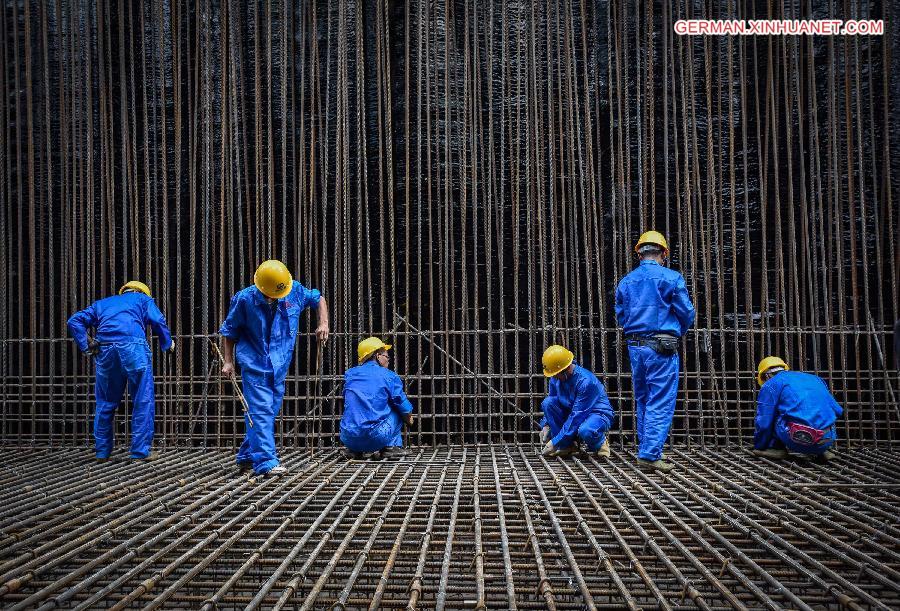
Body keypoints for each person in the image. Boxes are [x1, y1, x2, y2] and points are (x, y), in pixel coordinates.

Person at [219, 260, 329, 476]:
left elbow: (318, 298)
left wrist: (323, 322)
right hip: (254, 363)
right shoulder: (244, 299)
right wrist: (228, 361)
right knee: (260, 411)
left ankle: (247, 455)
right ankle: (266, 463)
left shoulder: (294, 290)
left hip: (279, 366)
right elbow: (229, 332)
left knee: (268, 412)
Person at [615, 231, 695, 473]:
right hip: (661, 349)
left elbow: (621, 314)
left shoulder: (626, 281)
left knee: (644, 398)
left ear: (639, 254)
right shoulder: (671, 278)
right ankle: (649, 454)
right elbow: (686, 312)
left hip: (636, 347)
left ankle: (646, 448)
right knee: (660, 399)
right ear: (663, 254)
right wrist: (675, 332)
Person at [67, 281, 173, 460]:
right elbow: (158, 320)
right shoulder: (143, 300)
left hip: (105, 350)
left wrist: (87, 343)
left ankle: (102, 451)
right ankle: (140, 452)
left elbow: (74, 320)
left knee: (106, 402)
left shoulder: (102, 303)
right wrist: (167, 343)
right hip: (133, 349)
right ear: (144, 292)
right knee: (142, 400)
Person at [753, 356, 843, 461]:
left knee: (773, 413)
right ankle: (823, 450)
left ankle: (775, 448)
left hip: (797, 439)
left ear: (766, 376)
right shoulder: (815, 379)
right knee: (824, 412)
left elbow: (764, 422)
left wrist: (760, 446)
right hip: (826, 439)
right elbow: (838, 410)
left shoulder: (771, 384)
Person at [340, 337, 414, 459]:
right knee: (397, 409)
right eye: (387, 356)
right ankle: (391, 447)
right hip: (375, 438)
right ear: (377, 356)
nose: (388, 361)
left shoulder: (350, 374)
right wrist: (409, 419)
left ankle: (353, 451)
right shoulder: (389, 375)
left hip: (348, 437)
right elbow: (404, 407)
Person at [539, 345, 615, 458]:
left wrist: (555, 442)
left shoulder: (586, 382)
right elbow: (551, 402)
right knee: (548, 402)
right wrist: (546, 425)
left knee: (586, 431)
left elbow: (577, 416)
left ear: (566, 369)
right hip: (572, 412)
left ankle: (600, 443)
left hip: (596, 413)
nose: (554, 377)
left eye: (556, 374)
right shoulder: (556, 378)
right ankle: (566, 446)